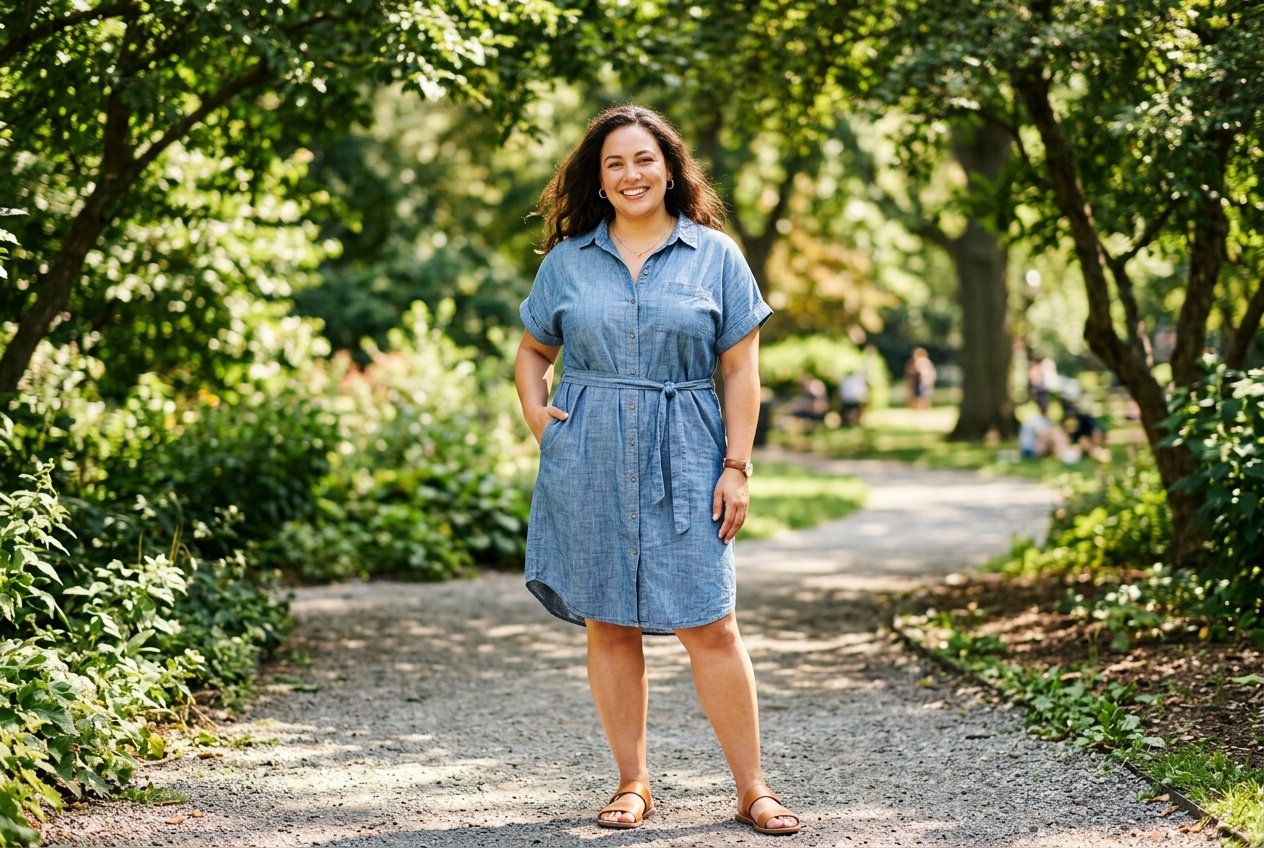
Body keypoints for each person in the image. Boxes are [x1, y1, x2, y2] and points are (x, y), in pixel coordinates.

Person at [513, 104, 800, 836]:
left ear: (669, 169)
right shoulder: (569, 261)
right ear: (599, 181)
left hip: (690, 451)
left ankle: (752, 788)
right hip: (590, 455)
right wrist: (539, 420)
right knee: (609, 623)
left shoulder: (716, 256)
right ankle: (632, 782)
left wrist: (737, 465)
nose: (630, 173)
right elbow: (532, 352)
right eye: (614, 163)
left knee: (712, 623)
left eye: (643, 159)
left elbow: (740, 370)